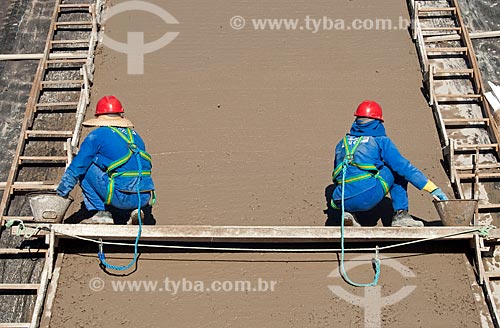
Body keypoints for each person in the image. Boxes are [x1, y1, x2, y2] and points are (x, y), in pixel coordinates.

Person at [330, 100, 448, 227]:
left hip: (340, 200)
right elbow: (404, 167)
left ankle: (349, 215)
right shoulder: (380, 140)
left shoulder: (341, 143)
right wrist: (433, 189)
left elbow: (338, 177)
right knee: (396, 171)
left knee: (349, 175)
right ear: (377, 122)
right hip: (366, 196)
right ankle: (401, 215)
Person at [56, 96, 155, 224]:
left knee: (85, 167)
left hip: (120, 197)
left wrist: (61, 192)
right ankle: (134, 211)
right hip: (143, 197)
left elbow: (77, 167)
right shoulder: (135, 137)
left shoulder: (97, 135)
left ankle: (102, 213)